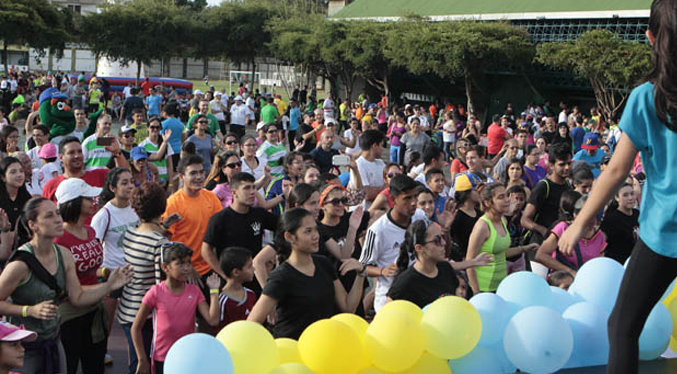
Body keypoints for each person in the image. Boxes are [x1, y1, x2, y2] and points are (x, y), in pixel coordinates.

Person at [0, 197, 132, 374]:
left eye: (57, 213)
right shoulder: (20, 265)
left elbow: (77, 297)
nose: (57, 219)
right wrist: (28, 310)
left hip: (53, 340)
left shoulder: (64, 254)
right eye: (49, 216)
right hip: (24, 347)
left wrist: (108, 286)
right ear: (33, 225)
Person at [247, 208, 366, 339]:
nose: (316, 236)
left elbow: (348, 307)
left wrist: (361, 274)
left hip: (322, 348)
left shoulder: (324, 264)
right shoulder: (282, 276)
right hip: (292, 351)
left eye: (316, 229)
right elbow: (252, 322)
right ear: (289, 237)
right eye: (308, 231)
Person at [118, 183, 179, 374]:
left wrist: (164, 227)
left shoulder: (129, 233)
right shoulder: (160, 243)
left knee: (135, 361)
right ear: (162, 207)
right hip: (148, 318)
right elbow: (161, 287)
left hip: (128, 310)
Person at [131, 243, 220, 374]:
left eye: (188, 263)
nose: (186, 268)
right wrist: (142, 359)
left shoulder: (195, 291)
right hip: (162, 358)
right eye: (180, 264)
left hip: (186, 358)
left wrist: (214, 291)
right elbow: (136, 327)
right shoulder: (155, 292)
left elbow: (213, 320)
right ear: (165, 267)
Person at [52, 178, 112, 374]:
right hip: (70, 313)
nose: (93, 201)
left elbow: (87, 268)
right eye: (88, 198)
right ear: (74, 203)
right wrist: (107, 285)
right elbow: (64, 282)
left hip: (94, 309)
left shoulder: (90, 230)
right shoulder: (58, 239)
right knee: (68, 366)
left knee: (95, 365)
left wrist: (105, 273)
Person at [202, 172, 280, 286]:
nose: (253, 191)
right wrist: (224, 275)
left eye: (254, 187)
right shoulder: (220, 219)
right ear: (234, 192)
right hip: (232, 283)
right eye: (247, 188)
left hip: (255, 279)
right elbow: (206, 250)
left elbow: (285, 225)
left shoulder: (259, 214)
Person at [359, 175, 419, 312]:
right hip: (389, 305)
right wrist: (382, 271)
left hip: (416, 300)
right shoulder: (378, 230)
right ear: (393, 200)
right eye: (407, 198)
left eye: (415, 197)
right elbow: (362, 267)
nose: (414, 202)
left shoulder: (420, 218)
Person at [466, 183, 539, 293]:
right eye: (501, 197)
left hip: (501, 286)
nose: (507, 200)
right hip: (483, 288)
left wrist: (524, 248)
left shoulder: (503, 221)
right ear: (488, 202)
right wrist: (477, 293)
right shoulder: (482, 226)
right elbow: (469, 262)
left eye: (506, 195)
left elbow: (501, 252)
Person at [163, 155, 222, 282]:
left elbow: (220, 231)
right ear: (181, 177)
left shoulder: (211, 198)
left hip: (210, 269)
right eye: (193, 173)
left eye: (201, 172)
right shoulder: (173, 204)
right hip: (184, 274)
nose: (199, 177)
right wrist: (187, 267)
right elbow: (166, 243)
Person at [521, 143, 572, 246]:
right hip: (539, 244)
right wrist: (543, 230)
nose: (567, 167)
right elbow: (524, 220)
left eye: (569, 163)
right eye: (562, 164)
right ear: (551, 165)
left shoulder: (567, 185)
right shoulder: (544, 187)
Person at [212, 247, 257, 332]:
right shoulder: (222, 301)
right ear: (236, 272)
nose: (254, 269)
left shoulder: (251, 294)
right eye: (249, 266)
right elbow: (219, 330)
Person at [600, 183, 639, 265]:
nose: (630, 198)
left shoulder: (637, 214)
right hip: (619, 263)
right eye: (625, 195)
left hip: (637, 261)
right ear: (617, 197)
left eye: (632, 194)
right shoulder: (611, 219)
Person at [350, 130, 386, 208]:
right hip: (363, 213)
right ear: (374, 145)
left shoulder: (381, 163)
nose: (383, 149)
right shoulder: (358, 165)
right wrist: (386, 188)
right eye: (381, 145)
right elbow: (366, 194)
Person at [139, 117, 173, 187]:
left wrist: (170, 184)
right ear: (147, 128)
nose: (155, 129)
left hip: (164, 180)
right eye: (152, 127)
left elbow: (169, 165)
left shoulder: (166, 144)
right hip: (150, 180)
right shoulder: (142, 145)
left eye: (157, 127)